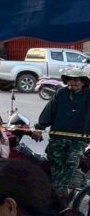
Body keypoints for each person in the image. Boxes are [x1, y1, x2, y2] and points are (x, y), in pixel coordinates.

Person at [34, 66, 90, 197]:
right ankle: (60, 196)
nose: (72, 82)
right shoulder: (61, 93)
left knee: (71, 163)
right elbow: (49, 112)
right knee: (56, 169)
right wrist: (39, 128)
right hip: (57, 139)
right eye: (70, 79)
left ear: (83, 82)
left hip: (79, 140)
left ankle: (57, 195)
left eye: (76, 80)